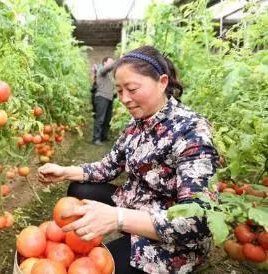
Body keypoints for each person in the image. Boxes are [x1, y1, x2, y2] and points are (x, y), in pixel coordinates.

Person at [38, 45, 218, 274]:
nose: (124, 99)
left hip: (175, 238)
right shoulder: (136, 125)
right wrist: (66, 171)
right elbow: (108, 166)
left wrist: (118, 218)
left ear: (162, 82)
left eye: (132, 89)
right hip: (137, 203)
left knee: (99, 266)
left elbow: (197, 221)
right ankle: (123, 233)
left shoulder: (192, 132)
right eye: (120, 91)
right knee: (80, 188)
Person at [92, 57, 116, 145]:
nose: (112, 63)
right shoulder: (101, 70)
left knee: (107, 119)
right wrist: (118, 61)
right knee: (100, 119)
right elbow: (108, 68)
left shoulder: (109, 75)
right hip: (101, 97)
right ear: (104, 63)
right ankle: (96, 139)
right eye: (110, 62)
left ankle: (103, 136)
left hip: (109, 98)